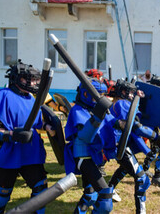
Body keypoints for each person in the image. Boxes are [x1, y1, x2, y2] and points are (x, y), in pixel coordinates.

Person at [0, 60, 55, 214]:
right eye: (30, 79)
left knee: (41, 192)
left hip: (30, 153)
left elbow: (36, 122)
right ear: (17, 78)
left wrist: (48, 127)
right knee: (2, 195)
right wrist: (10, 134)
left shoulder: (32, 99)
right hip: (8, 154)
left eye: (35, 80)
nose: (33, 83)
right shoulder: (2, 96)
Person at [64, 78, 118, 214]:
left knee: (90, 194)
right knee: (105, 197)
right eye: (97, 94)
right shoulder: (78, 110)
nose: (99, 98)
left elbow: (115, 124)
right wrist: (98, 116)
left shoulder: (98, 110)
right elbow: (86, 136)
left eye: (102, 94)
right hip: (83, 157)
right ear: (85, 94)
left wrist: (130, 124)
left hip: (94, 157)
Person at [107, 79, 152, 212]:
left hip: (118, 146)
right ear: (123, 92)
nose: (132, 95)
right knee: (142, 180)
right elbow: (136, 130)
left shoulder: (116, 103)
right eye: (130, 93)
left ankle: (108, 191)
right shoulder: (122, 103)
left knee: (125, 168)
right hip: (120, 147)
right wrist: (155, 138)